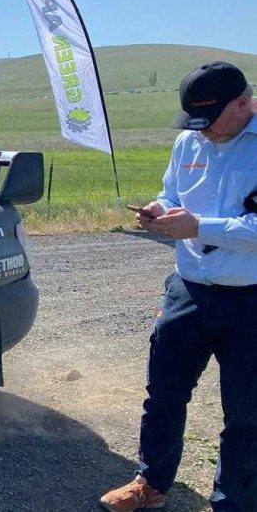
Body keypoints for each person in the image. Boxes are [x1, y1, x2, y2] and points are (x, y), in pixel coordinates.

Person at [101, 62, 257, 512]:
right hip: (188, 289)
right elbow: (172, 193)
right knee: (164, 395)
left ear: (243, 104)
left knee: (246, 413)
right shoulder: (188, 141)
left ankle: (234, 503)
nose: (200, 131)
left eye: (209, 120)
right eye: (194, 121)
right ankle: (150, 485)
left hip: (250, 299)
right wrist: (160, 209)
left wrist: (198, 226)